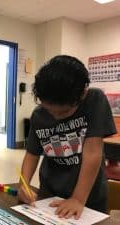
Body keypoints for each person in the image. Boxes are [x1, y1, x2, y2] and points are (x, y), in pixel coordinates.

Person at [18, 55, 116, 220]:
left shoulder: (94, 100)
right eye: (49, 110)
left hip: (88, 197)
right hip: (49, 195)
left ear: (83, 93)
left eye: (63, 112)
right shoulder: (38, 115)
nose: (55, 117)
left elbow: (93, 152)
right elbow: (32, 154)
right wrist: (24, 184)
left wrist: (78, 199)